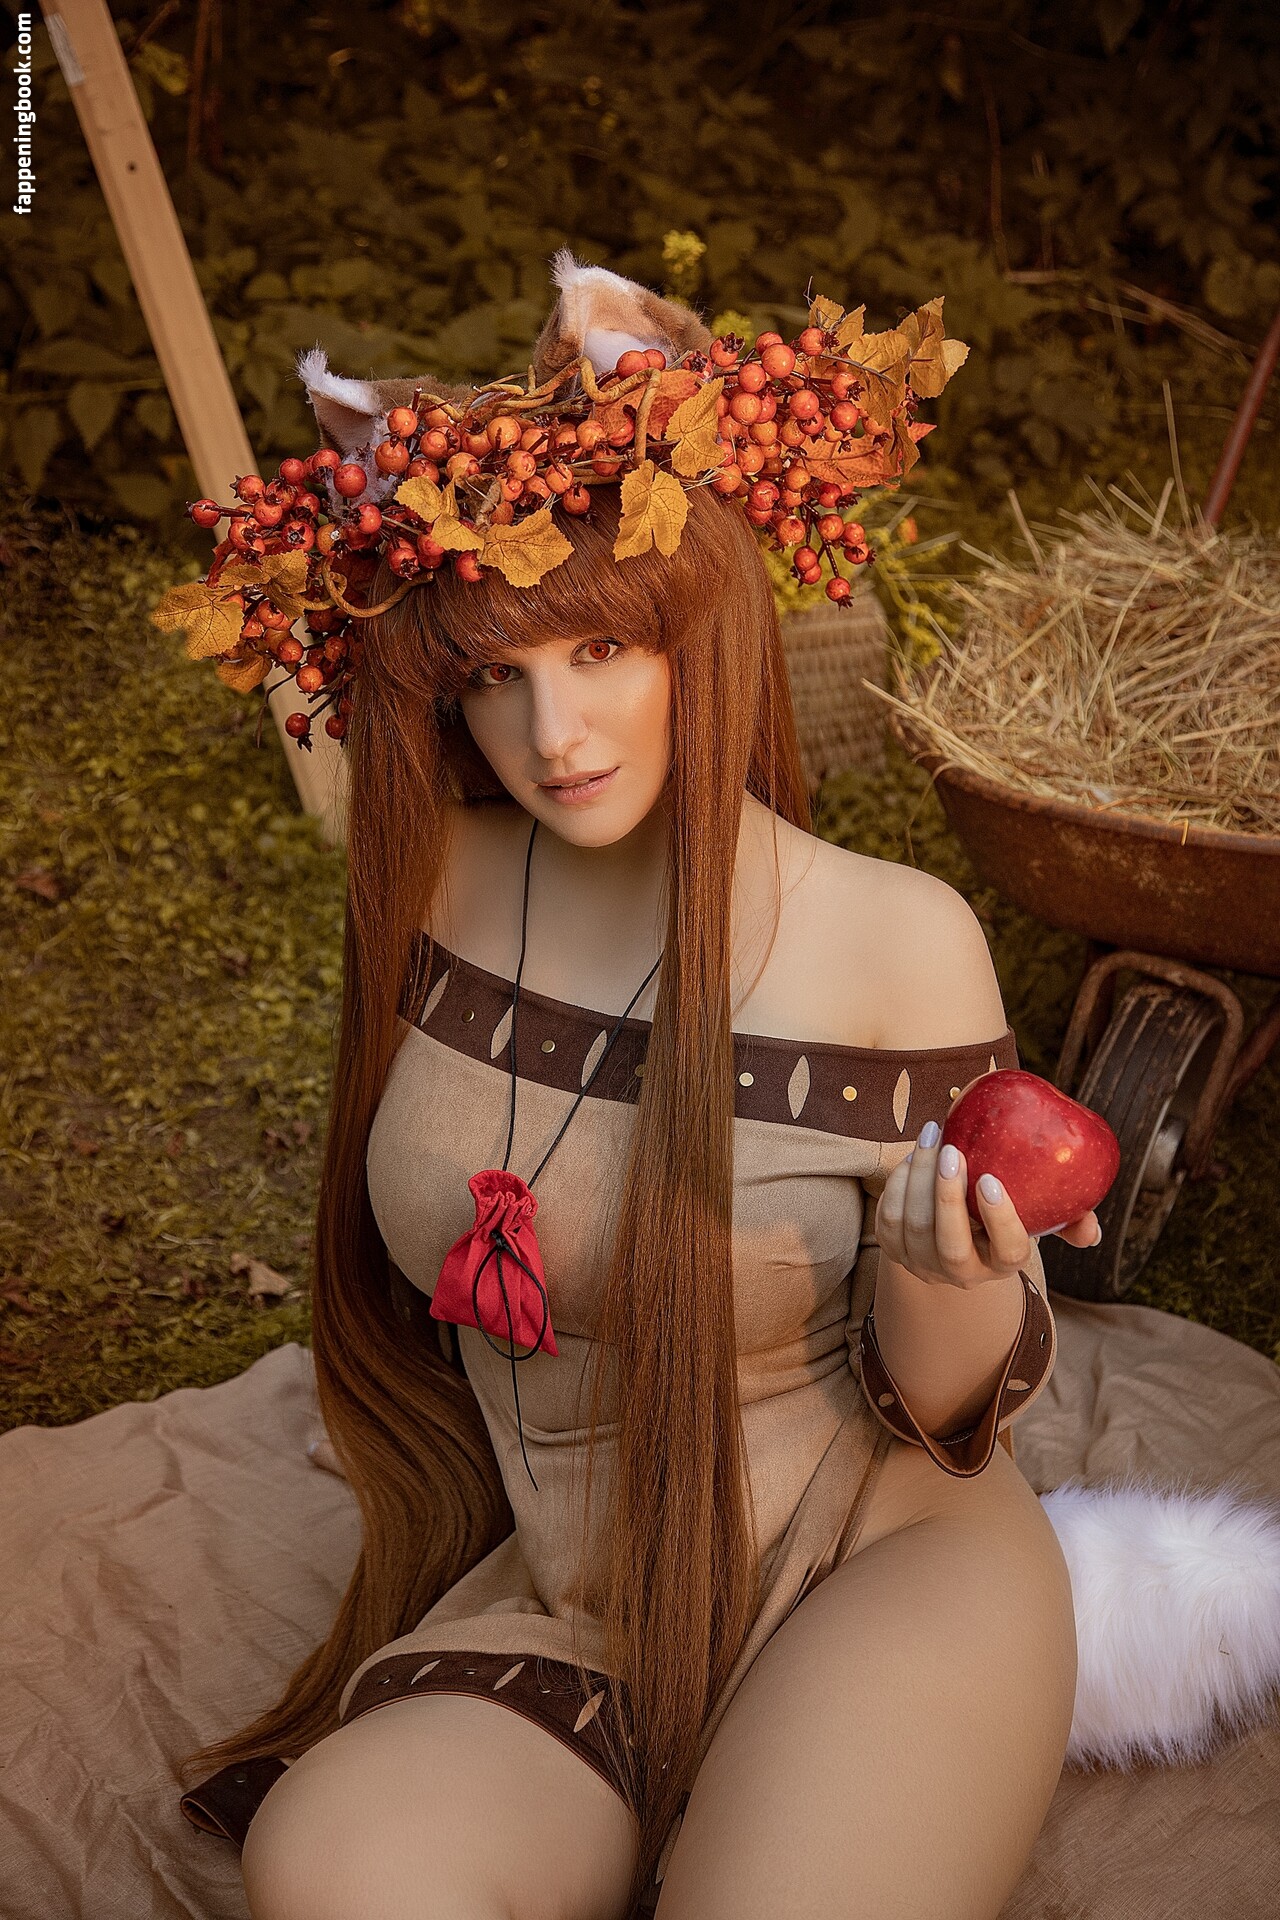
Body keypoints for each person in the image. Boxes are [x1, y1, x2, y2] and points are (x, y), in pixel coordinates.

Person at [176, 258, 1088, 1920]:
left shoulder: (898, 938)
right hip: (577, 1598)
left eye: (601, 648)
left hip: (881, 1565)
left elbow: (959, 1413)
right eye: (495, 675)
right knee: (336, 1874)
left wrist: (944, 1275)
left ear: (699, 630)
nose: (556, 732)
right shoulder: (442, 884)